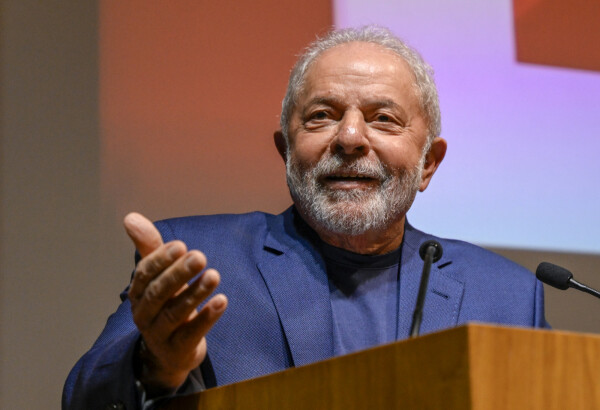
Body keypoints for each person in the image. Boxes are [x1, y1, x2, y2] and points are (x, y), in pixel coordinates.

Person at [63, 26, 548, 410]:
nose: (351, 138)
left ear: (429, 163)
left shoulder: (505, 296)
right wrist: (154, 366)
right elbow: (85, 401)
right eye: (321, 115)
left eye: (383, 118)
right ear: (286, 151)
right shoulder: (197, 259)